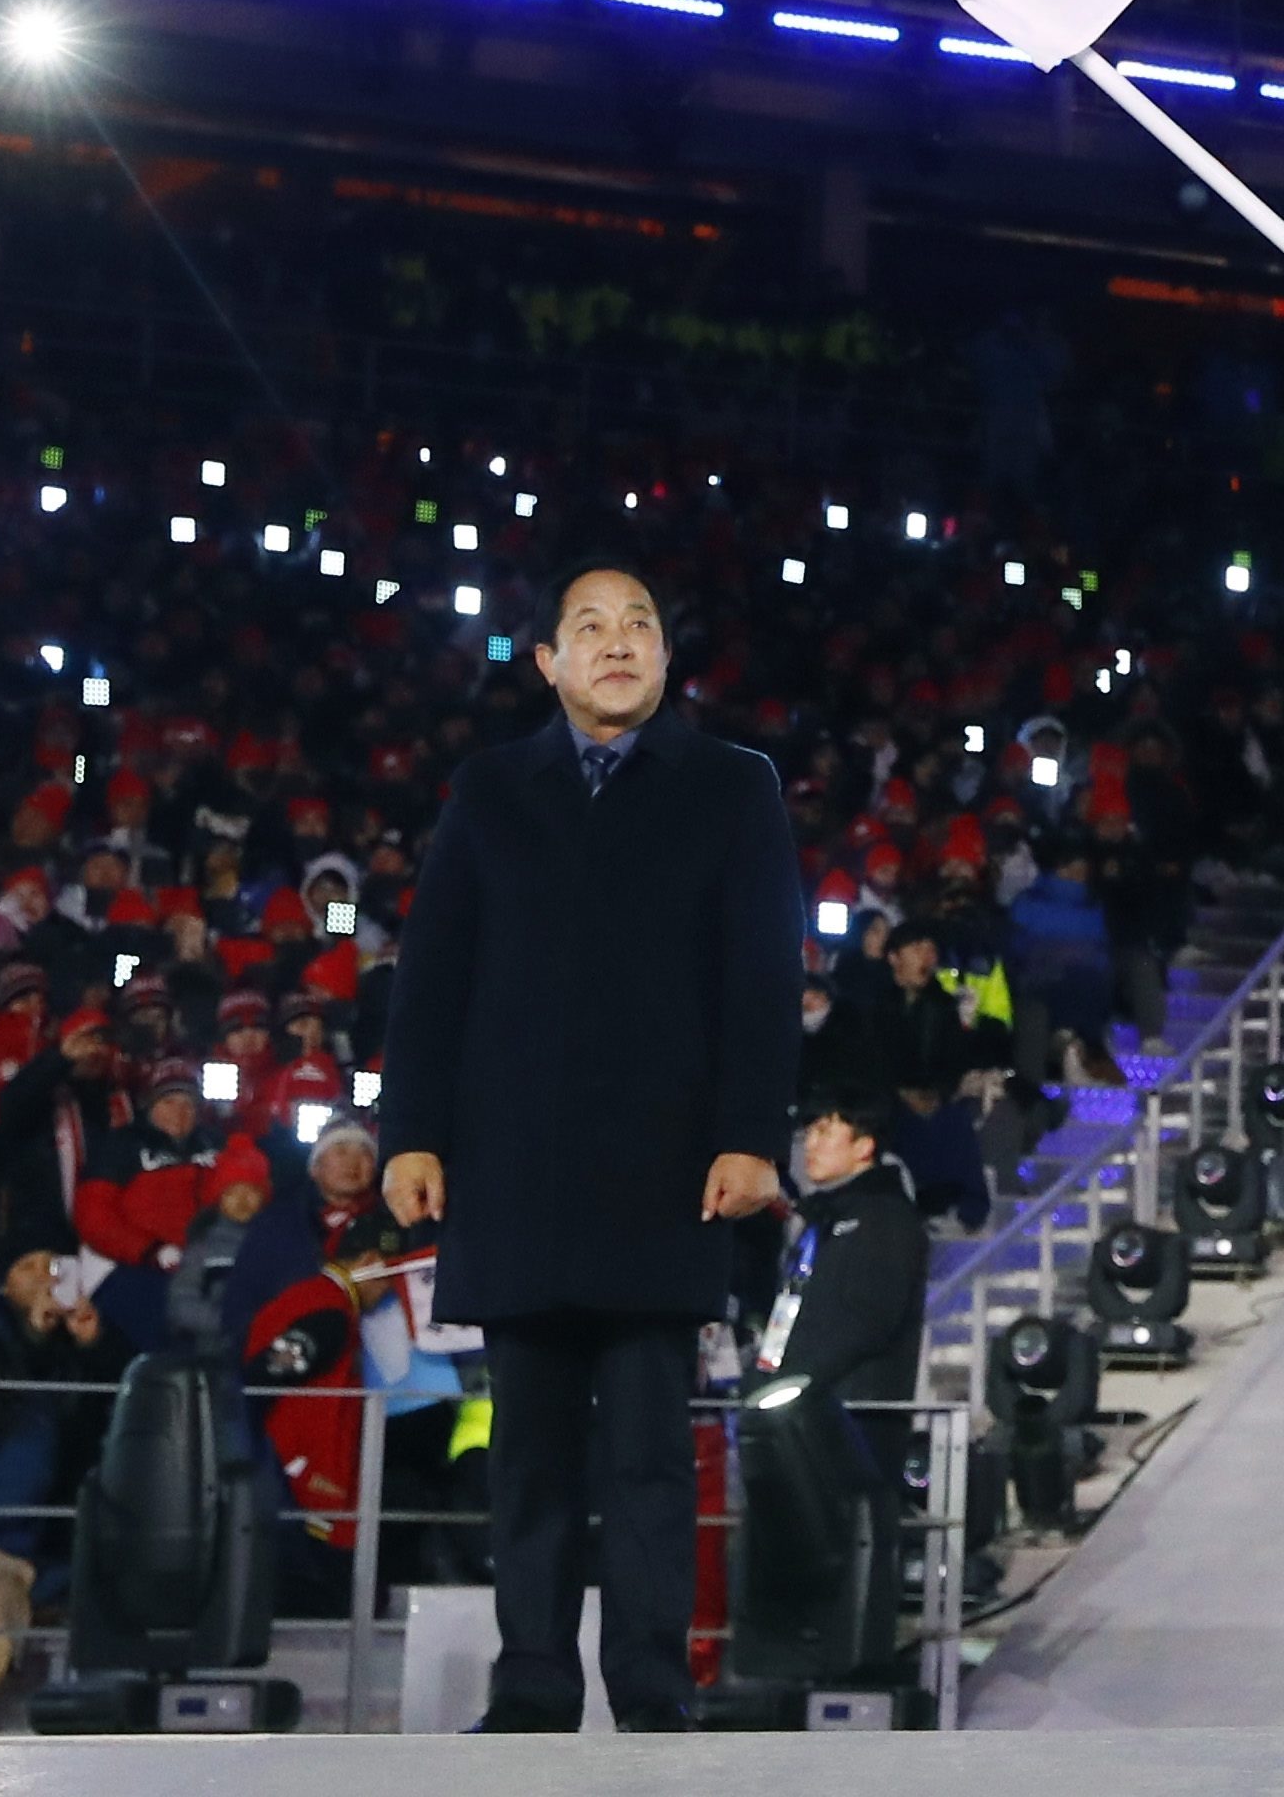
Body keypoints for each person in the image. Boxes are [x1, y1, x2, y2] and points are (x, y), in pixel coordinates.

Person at [373, 560, 803, 1734]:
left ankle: (655, 1687)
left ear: (666, 659)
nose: (618, 641)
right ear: (549, 662)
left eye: (640, 624)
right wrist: (409, 1133)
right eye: (589, 627)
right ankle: (532, 1686)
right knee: (530, 1457)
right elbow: (432, 981)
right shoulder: (489, 789)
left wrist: (753, 1137)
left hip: (667, 1172)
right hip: (513, 1170)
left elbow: (763, 978)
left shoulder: (731, 786)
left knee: (653, 1455)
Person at [762, 1097, 931, 1443]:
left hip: (852, 1419)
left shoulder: (887, 1219)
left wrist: (796, 1378)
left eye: (825, 1132)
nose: (810, 1144)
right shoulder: (819, 1217)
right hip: (799, 1410)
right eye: (808, 1133)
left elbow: (867, 1319)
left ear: (864, 1145)